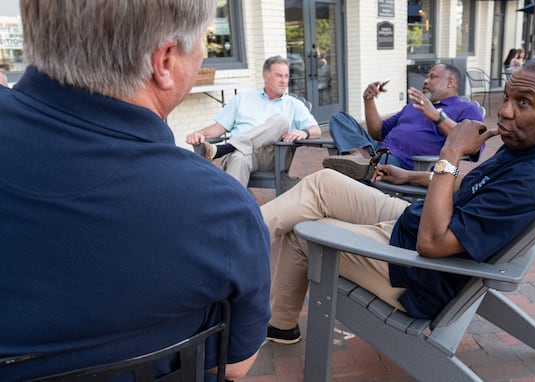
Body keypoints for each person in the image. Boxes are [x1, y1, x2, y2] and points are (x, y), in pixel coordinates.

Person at [0, 1, 270, 381]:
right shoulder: (220, 211)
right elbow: (235, 365)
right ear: (164, 62)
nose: (206, 52)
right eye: (203, 40)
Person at [262, 56, 535, 344]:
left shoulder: (530, 182)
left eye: (524, 102)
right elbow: (468, 187)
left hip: (416, 270)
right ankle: (238, 236)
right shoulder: (527, 151)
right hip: (414, 221)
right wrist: (411, 177)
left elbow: (432, 244)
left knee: (304, 232)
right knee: (324, 183)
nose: (506, 110)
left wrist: (451, 151)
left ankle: (278, 323)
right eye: (509, 97)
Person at [322, 63, 483, 180]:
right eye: (426, 77)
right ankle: (359, 159)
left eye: (432, 77)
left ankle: (362, 165)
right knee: (340, 118)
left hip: (407, 164)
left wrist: (437, 116)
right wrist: (368, 100)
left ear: (450, 82)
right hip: (379, 152)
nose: (425, 81)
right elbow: (377, 132)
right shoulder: (413, 106)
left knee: (332, 179)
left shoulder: (466, 109)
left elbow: (472, 145)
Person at [186, 55, 321, 187]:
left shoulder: (293, 104)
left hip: (272, 156)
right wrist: (199, 133)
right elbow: (218, 127)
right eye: (279, 75)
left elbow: (317, 130)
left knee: (281, 121)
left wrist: (304, 132)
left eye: (286, 76)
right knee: (239, 157)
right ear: (265, 76)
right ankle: (236, 208)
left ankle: (226, 148)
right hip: (242, 155)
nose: (284, 81)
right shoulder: (242, 98)